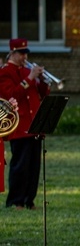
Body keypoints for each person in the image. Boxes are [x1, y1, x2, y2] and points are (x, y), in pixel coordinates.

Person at [0, 38, 49, 210]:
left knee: (34, 166)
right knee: (20, 165)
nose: (24, 57)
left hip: (35, 123)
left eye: (26, 53)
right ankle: (16, 200)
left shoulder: (27, 71)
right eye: (21, 53)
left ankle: (29, 200)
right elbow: (11, 94)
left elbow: (42, 93)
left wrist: (42, 80)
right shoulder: (5, 72)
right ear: (12, 53)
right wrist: (30, 78)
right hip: (19, 125)